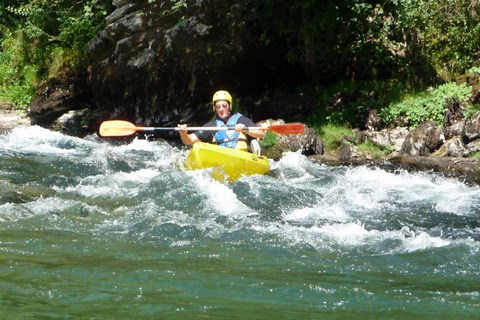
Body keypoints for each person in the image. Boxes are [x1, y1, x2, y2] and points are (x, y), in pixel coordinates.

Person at [178, 90, 265, 153]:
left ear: (229, 107)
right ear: (214, 109)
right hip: (222, 160)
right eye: (218, 107)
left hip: (243, 157)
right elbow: (189, 141)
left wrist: (245, 130)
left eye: (224, 106)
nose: (221, 109)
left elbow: (261, 134)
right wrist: (183, 133)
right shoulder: (212, 126)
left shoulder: (241, 120)